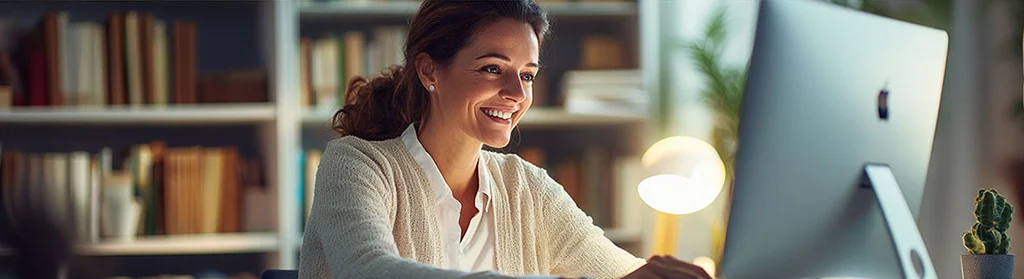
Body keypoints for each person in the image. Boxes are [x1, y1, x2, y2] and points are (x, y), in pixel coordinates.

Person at [297, 1, 712, 278]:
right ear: (429, 72)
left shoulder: (528, 188)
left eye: (527, 74)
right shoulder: (355, 163)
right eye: (493, 68)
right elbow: (367, 269)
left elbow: (617, 270)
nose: (517, 92)